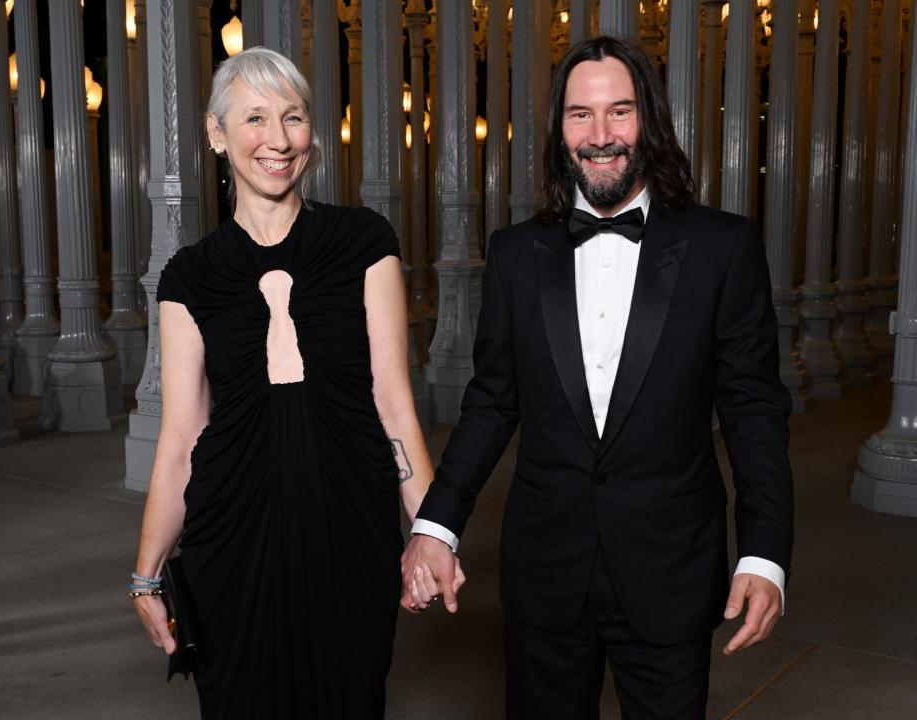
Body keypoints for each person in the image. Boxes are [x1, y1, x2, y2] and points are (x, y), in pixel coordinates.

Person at [401, 36, 794, 719]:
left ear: (650, 122)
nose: (601, 135)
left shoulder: (721, 248)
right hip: (545, 571)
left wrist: (763, 558)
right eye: (580, 115)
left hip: (671, 568)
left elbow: (752, 411)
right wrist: (436, 526)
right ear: (558, 131)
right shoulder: (516, 254)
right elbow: (491, 403)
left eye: (620, 111)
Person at [130, 46, 453, 719]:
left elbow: (392, 403)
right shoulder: (188, 277)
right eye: (253, 118)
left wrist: (434, 531)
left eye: (293, 117)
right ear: (217, 134)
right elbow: (183, 437)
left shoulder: (365, 241)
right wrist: (146, 573)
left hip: (351, 528)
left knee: (349, 698)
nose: (277, 140)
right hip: (230, 536)